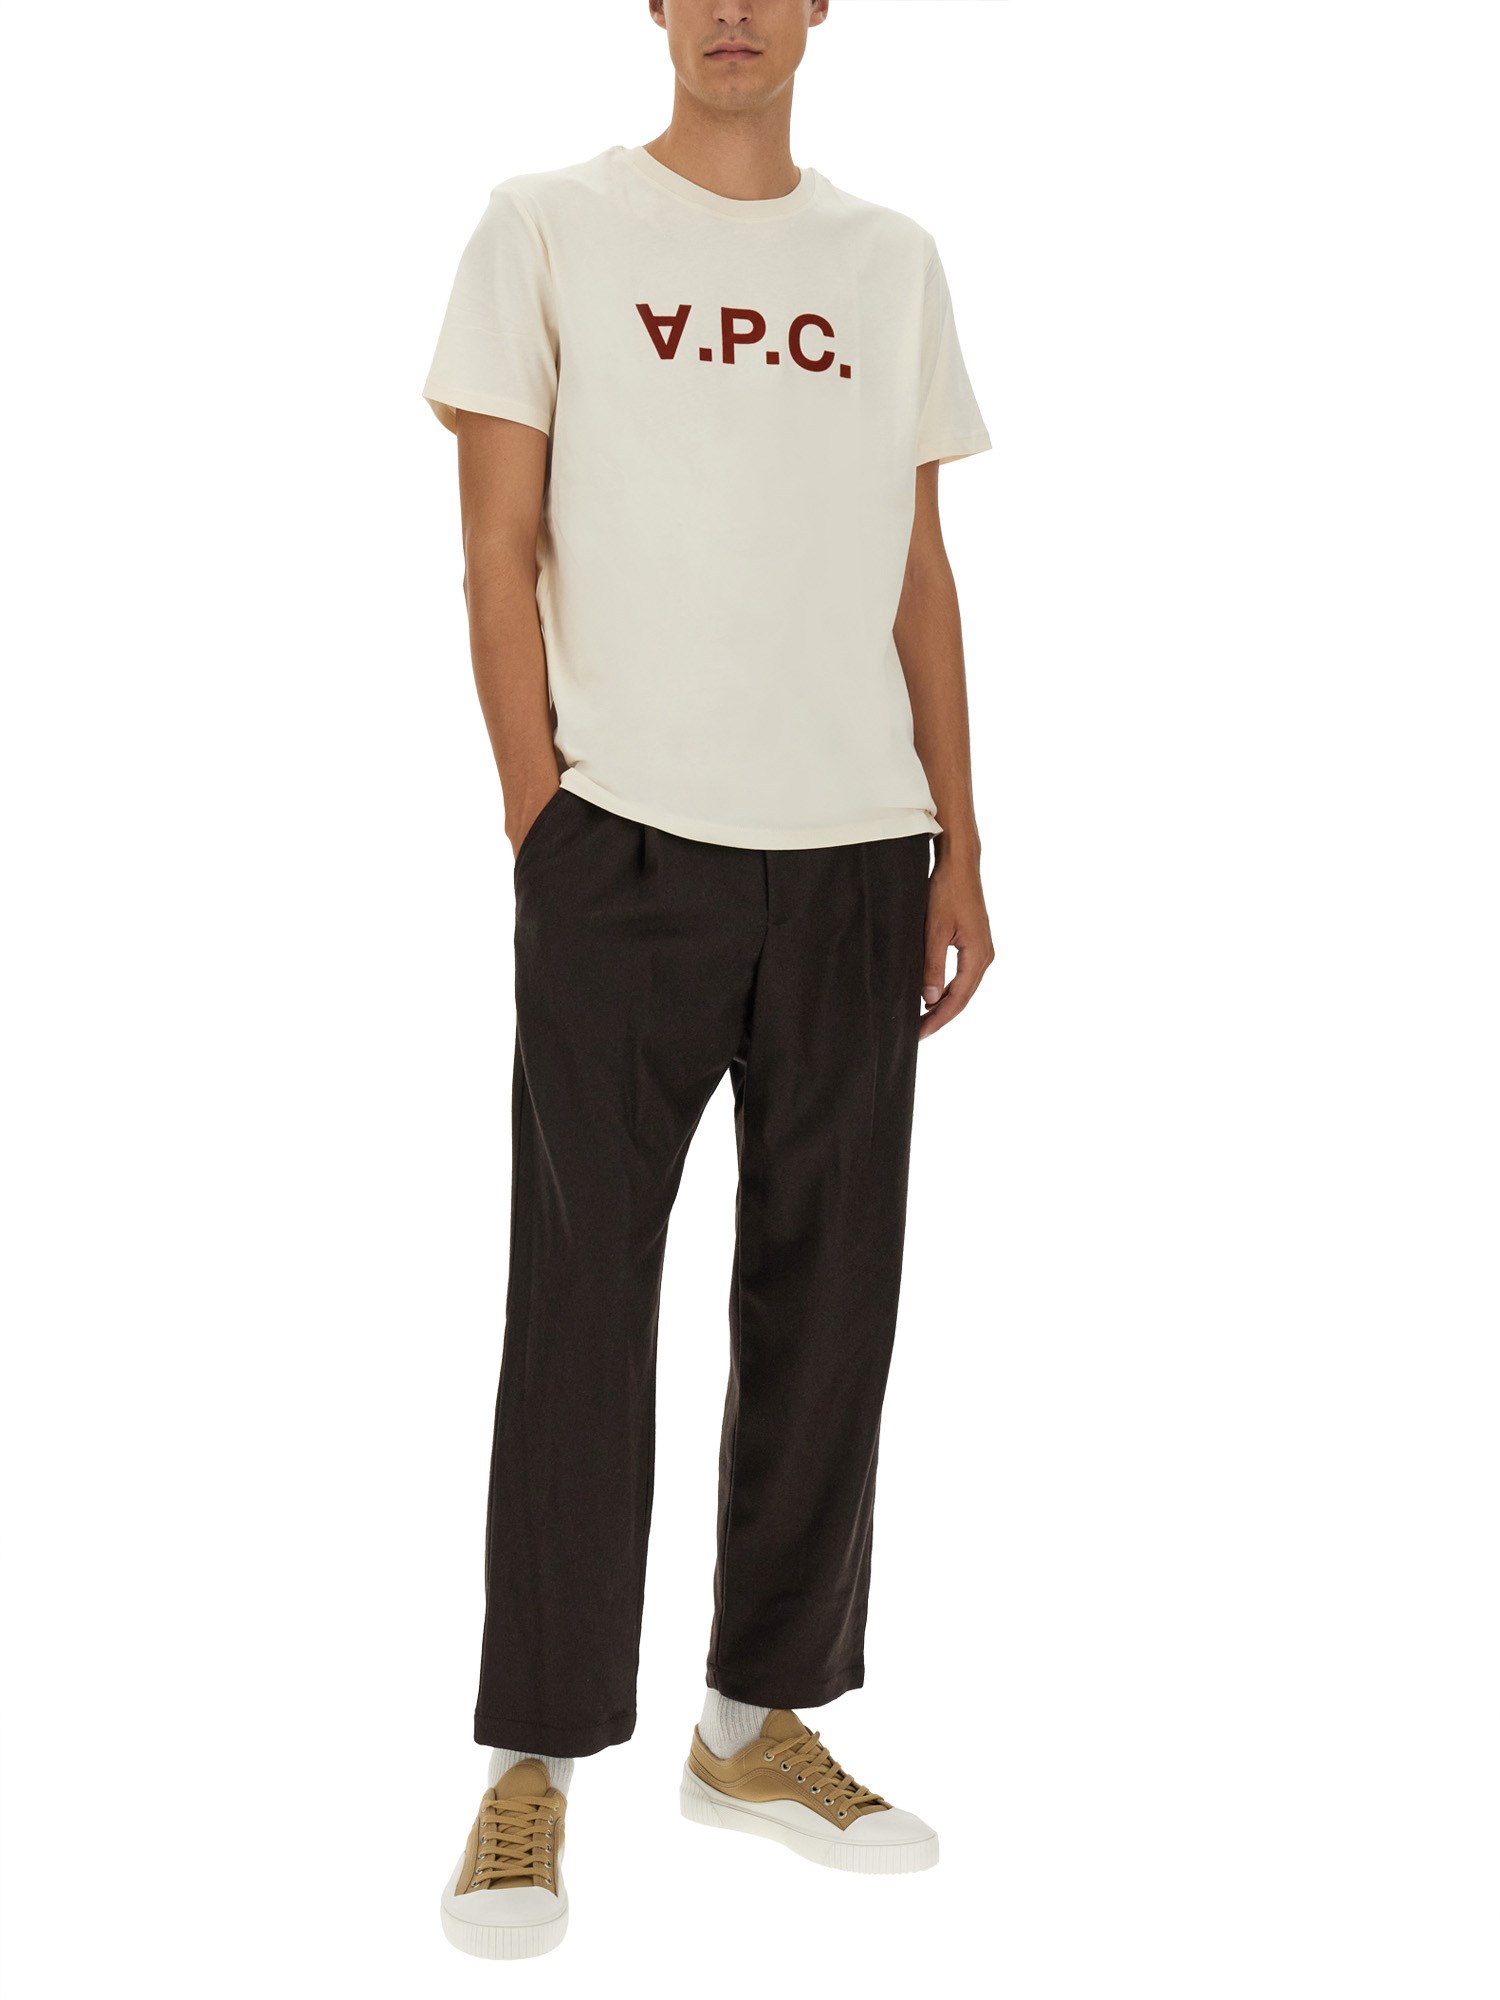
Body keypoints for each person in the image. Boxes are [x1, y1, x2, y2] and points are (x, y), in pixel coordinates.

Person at [422, 0, 994, 1959]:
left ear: (824, 6)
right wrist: (544, 821)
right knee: (581, 1307)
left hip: (857, 852)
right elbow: (496, 548)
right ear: (655, 8)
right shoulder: (545, 226)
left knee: (831, 1299)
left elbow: (916, 566)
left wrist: (959, 839)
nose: (735, 12)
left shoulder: (888, 261)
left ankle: (757, 1722)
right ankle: (535, 1756)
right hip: (627, 853)